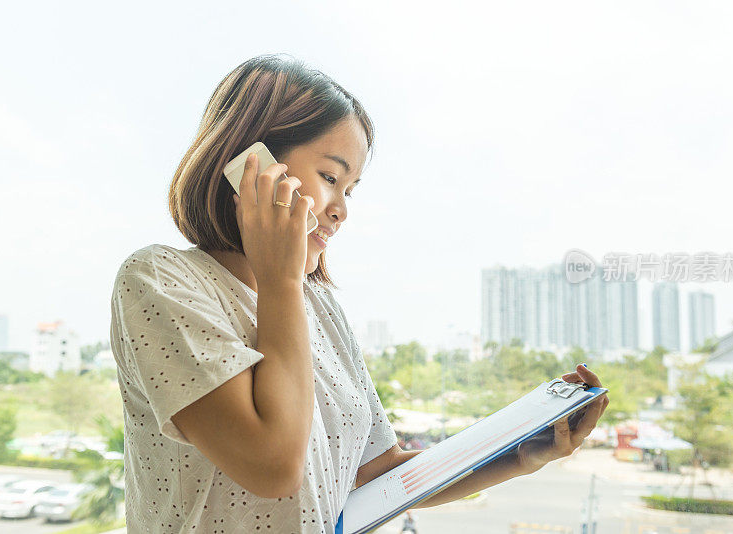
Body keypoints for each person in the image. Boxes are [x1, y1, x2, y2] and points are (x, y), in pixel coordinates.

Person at [109, 54, 609, 533]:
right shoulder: (159, 280)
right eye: (330, 177)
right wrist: (282, 281)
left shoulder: (320, 308)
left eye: (350, 190)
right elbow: (272, 466)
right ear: (250, 164)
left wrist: (521, 455)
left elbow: (378, 473)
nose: (341, 210)